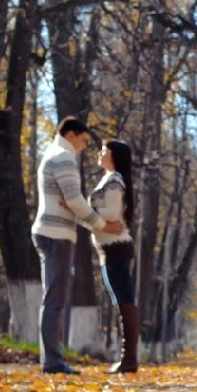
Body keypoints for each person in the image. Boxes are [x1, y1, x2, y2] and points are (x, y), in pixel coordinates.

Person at [31, 117, 123, 375]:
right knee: (55, 300)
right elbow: (75, 201)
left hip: (54, 232)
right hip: (56, 234)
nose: (83, 147)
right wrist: (103, 225)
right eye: (82, 140)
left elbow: (71, 205)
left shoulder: (54, 154)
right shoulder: (63, 157)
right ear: (71, 135)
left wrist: (83, 215)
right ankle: (52, 361)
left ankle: (52, 359)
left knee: (54, 298)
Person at [88, 140, 140, 374]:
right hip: (109, 248)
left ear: (114, 155)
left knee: (124, 303)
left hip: (116, 247)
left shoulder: (115, 181)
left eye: (104, 150)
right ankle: (127, 359)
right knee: (122, 303)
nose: (100, 153)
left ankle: (128, 359)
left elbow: (112, 213)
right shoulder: (109, 179)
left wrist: (83, 213)